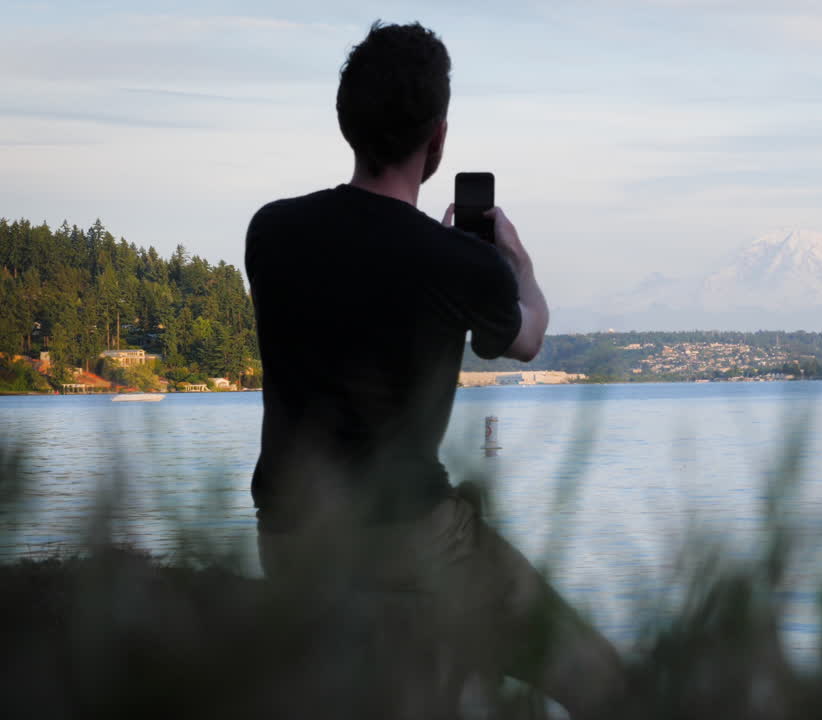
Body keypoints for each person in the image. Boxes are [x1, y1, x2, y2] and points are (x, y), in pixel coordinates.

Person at [244, 21, 625, 718]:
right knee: (600, 677)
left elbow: (361, 275)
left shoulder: (269, 230)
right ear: (438, 139)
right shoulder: (458, 263)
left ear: (345, 122)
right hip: (410, 537)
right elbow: (527, 339)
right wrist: (517, 266)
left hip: (288, 535)